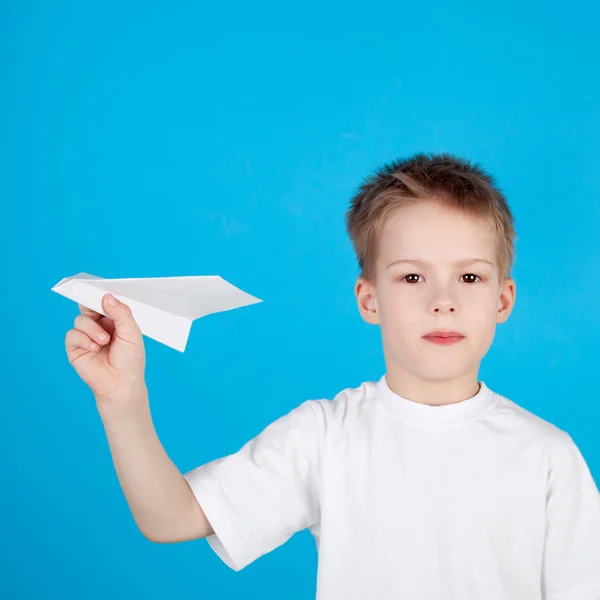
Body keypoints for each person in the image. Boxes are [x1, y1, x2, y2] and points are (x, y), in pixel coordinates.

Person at [64, 152, 600, 599]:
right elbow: (170, 518)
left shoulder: (549, 457)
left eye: (469, 276)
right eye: (412, 276)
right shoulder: (326, 435)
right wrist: (121, 396)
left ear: (502, 299)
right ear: (369, 299)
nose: (443, 302)